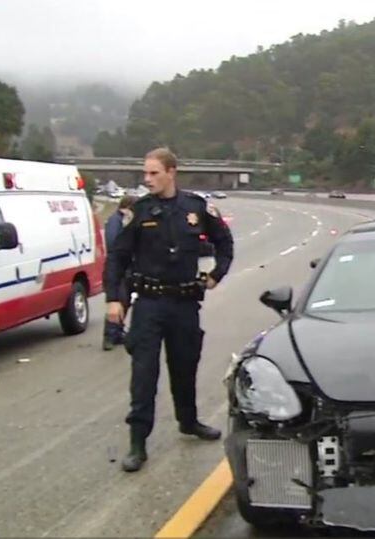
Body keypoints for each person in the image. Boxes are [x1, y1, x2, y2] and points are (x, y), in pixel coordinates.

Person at [104, 148, 235, 473]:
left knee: (185, 367)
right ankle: (137, 443)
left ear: (171, 172)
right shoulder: (140, 211)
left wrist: (217, 274)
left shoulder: (196, 207)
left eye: (153, 173)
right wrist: (113, 299)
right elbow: (117, 258)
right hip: (149, 303)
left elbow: (225, 243)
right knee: (144, 375)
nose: (147, 179)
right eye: (145, 174)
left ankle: (188, 422)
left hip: (185, 303)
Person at [102, 195, 136, 351]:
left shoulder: (122, 219)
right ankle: (109, 335)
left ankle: (117, 332)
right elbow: (113, 243)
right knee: (119, 301)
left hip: (126, 268)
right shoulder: (116, 221)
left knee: (125, 301)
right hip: (118, 269)